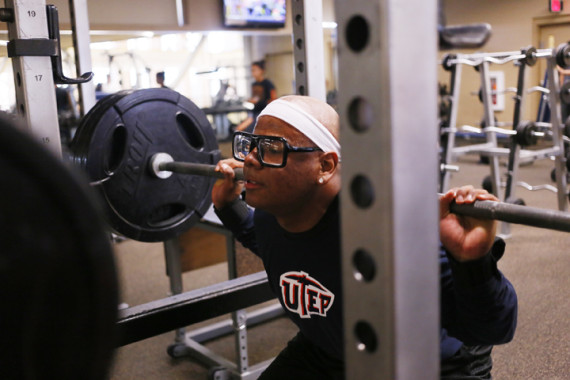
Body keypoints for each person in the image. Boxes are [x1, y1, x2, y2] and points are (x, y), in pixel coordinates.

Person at [212, 95, 518, 379]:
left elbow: (492, 328)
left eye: (272, 148)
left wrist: (471, 261)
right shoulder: (272, 213)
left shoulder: (385, 232)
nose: (250, 159)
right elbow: (274, 246)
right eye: (251, 145)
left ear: (325, 165)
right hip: (333, 347)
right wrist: (228, 207)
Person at [235, 60, 277, 133]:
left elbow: (273, 99)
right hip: (255, 112)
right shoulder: (254, 84)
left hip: (264, 113)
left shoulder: (268, 84)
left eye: (255, 70)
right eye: (252, 70)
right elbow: (255, 98)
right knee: (239, 129)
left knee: (250, 131)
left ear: (261, 71)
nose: (253, 73)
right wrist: (251, 100)